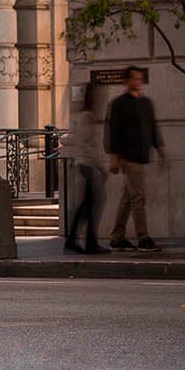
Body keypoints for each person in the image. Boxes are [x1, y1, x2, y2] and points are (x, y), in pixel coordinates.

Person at [105, 65, 163, 252]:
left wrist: (160, 148)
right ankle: (143, 237)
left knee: (128, 197)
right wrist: (114, 156)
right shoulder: (119, 104)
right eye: (135, 78)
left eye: (140, 78)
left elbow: (152, 127)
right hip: (127, 157)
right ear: (127, 81)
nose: (138, 82)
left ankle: (117, 236)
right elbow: (113, 131)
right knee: (138, 197)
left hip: (141, 155)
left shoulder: (146, 103)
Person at [64, 86, 110, 254]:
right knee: (94, 202)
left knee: (89, 204)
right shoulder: (86, 117)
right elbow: (86, 145)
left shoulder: (88, 117)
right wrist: (97, 166)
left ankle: (77, 239)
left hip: (88, 164)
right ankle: (86, 241)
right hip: (87, 165)